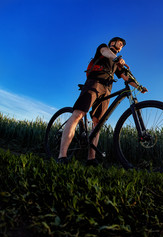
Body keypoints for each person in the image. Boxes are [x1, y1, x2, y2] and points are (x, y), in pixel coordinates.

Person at [57, 37, 147, 166]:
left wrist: (138, 86)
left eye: (122, 45)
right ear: (112, 43)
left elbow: (125, 77)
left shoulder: (116, 63)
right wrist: (116, 58)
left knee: (97, 123)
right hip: (94, 83)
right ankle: (62, 156)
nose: (121, 46)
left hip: (107, 90)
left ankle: (91, 159)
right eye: (119, 43)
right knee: (78, 114)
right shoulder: (104, 48)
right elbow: (105, 52)